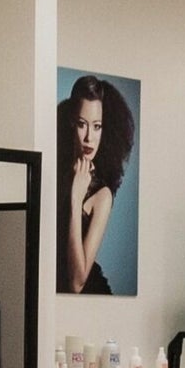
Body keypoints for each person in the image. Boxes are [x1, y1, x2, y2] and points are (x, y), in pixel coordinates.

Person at [58, 74, 136, 296]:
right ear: (71, 123)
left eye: (97, 126)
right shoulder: (55, 172)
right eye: (82, 124)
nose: (89, 137)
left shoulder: (102, 195)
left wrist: (76, 197)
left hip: (90, 299)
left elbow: (76, 283)